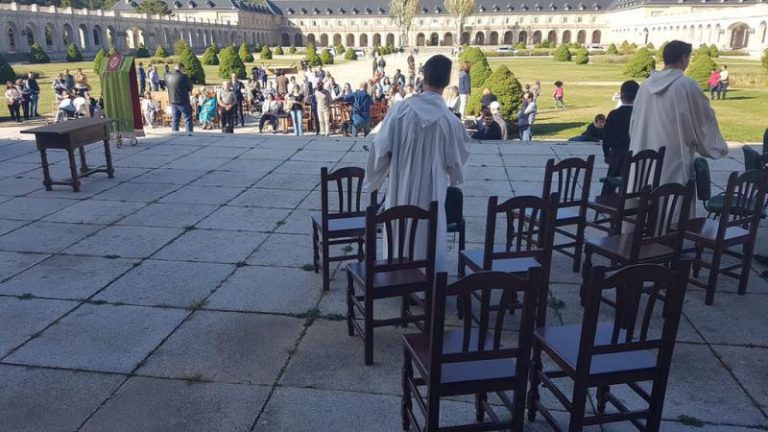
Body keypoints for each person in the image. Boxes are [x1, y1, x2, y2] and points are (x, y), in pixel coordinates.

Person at [365, 54, 471, 272]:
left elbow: (380, 149)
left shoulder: (400, 110)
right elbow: (456, 165)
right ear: (447, 81)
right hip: (431, 192)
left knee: (400, 229)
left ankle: (398, 274)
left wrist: (377, 174)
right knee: (427, 232)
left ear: (424, 76)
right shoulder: (450, 122)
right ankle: (426, 277)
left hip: (400, 186)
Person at [629, 40, 728, 192]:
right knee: (670, 200)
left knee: (644, 192)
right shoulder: (686, 85)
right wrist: (715, 146)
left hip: (643, 147)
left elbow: (634, 120)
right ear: (683, 58)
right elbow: (705, 117)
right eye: (689, 58)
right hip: (674, 153)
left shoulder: (645, 85)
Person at [601, 80, 639, 194]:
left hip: (617, 155)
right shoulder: (640, 115)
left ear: (621, 96)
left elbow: (606, 137)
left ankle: (604, 204)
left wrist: (606, 154)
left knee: (610, 184)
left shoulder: (614, 114)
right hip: (635, 154)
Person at [165, 63, 194, 134]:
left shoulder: (168, 76)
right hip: (183, 100)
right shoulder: (183, 76)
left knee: (175, 119)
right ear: (181, 68)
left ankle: (174, 133)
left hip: (172, 101)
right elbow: (190, 87)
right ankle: (189, 133)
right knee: (187, 118)